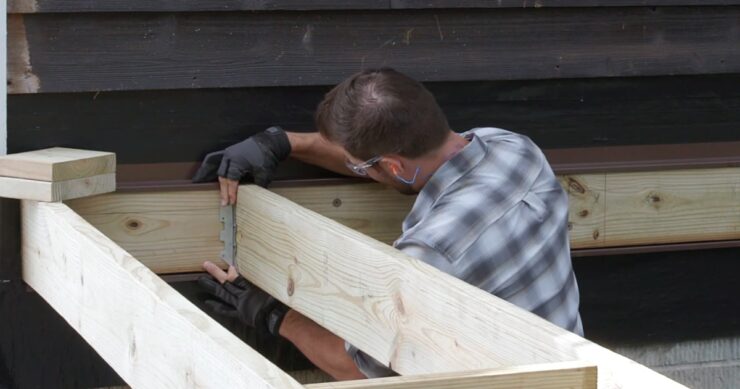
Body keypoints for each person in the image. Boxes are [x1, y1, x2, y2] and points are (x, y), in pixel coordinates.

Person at [193, 68, 583, 380]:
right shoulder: (514, 148)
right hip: (576, 373)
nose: (354, 169)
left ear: (394, 166)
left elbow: (365, 369)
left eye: (360, 166)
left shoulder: (427, 256)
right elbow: (405, 160)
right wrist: (282, 143)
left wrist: (274, 314)